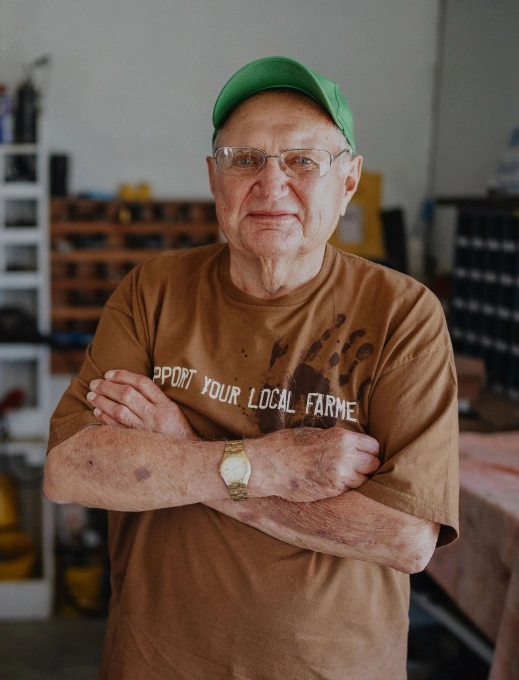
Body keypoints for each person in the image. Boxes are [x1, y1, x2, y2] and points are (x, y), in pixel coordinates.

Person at [44, 56, 459, 679]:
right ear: (215, 180)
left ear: (348, 181)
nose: (271, 183)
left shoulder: (402, 314)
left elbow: (403, 538)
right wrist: (273, 465)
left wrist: (181, 449)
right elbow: (72, 469)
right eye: (245, 160)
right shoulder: (152, 293)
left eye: (302, 160)